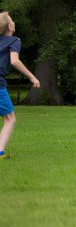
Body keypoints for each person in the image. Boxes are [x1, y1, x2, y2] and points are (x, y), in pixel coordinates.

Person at [0, 12, 41, 159]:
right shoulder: (14, 41)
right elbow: (14, 61)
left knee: (7, 118)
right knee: (10, 119)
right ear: (11, 26)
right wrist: (32, 77)